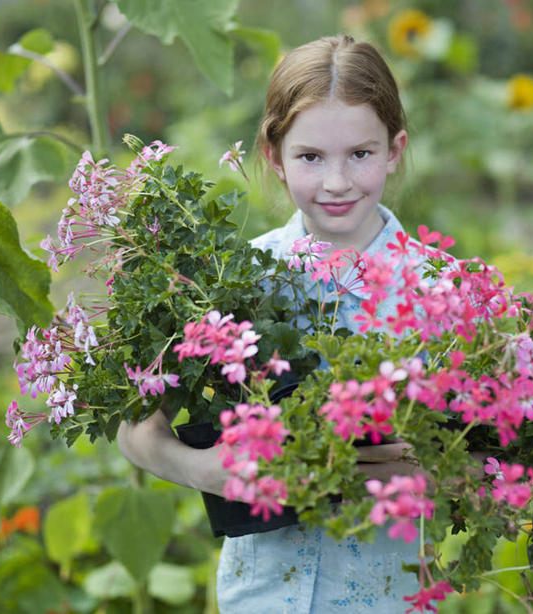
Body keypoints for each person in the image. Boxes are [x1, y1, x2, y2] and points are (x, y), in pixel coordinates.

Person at [117, 34, 424, 612]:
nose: (337, 181)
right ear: (274, 157)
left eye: (360, 154)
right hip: (257, 598)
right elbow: (135, 429)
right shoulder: (230, 280)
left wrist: (427, 465)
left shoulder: (441, 290)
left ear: (394, 149)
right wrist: (206, 470)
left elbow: (493, 456)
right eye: (311, 157)